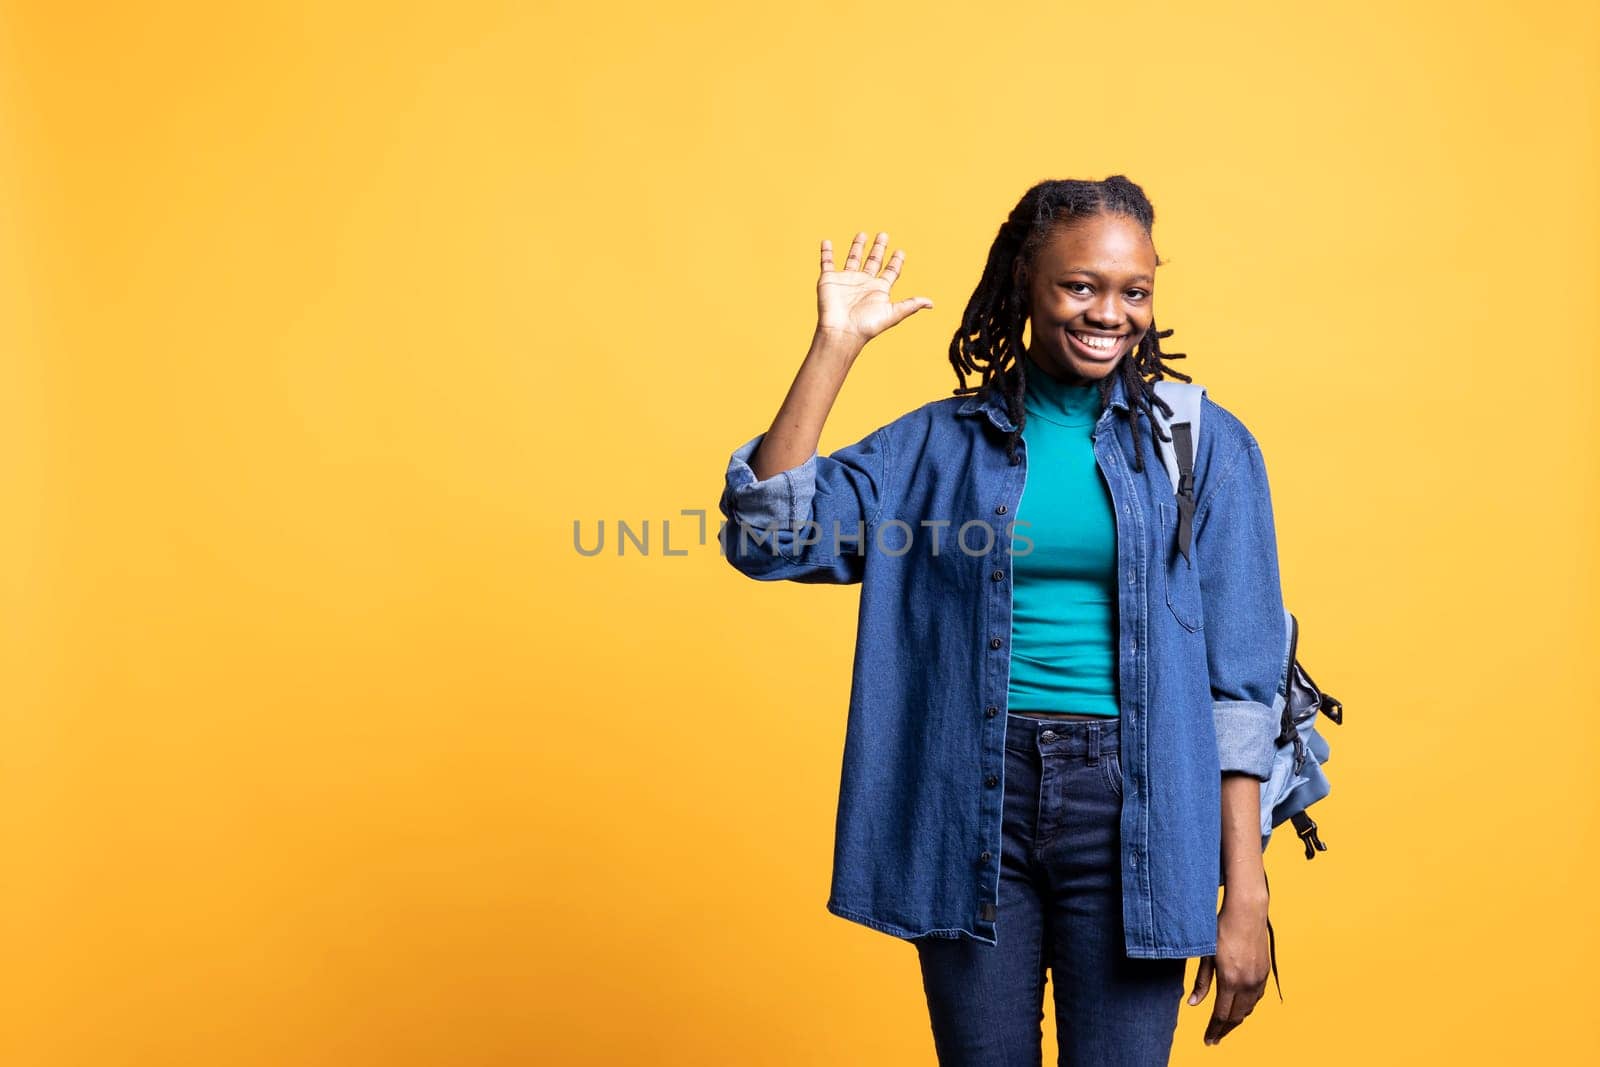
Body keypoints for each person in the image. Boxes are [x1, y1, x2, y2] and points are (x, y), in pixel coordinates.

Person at [718, 176, 1279, 1064]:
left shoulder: (1202, 446)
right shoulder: (936, 447)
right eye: (1081, 285)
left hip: (1142, 806)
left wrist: (1244, 891)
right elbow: (769, 537)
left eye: (1135, 291)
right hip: (974, 797)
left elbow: (1243, 690)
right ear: (1026, 282)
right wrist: (833, 349)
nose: (1111, 313)